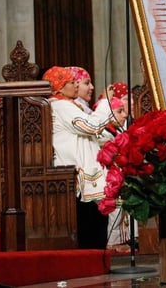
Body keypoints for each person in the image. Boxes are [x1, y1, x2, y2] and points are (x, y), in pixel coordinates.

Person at [44, 65, 123, 249]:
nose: (75, 86)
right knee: (90, 221)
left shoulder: (68, 104)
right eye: (71, 83)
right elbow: (91, 126)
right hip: (75, 169)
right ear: (60, 87)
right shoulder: (60, 105)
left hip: (81, 167)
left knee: (97, 217)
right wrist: (105, 102)